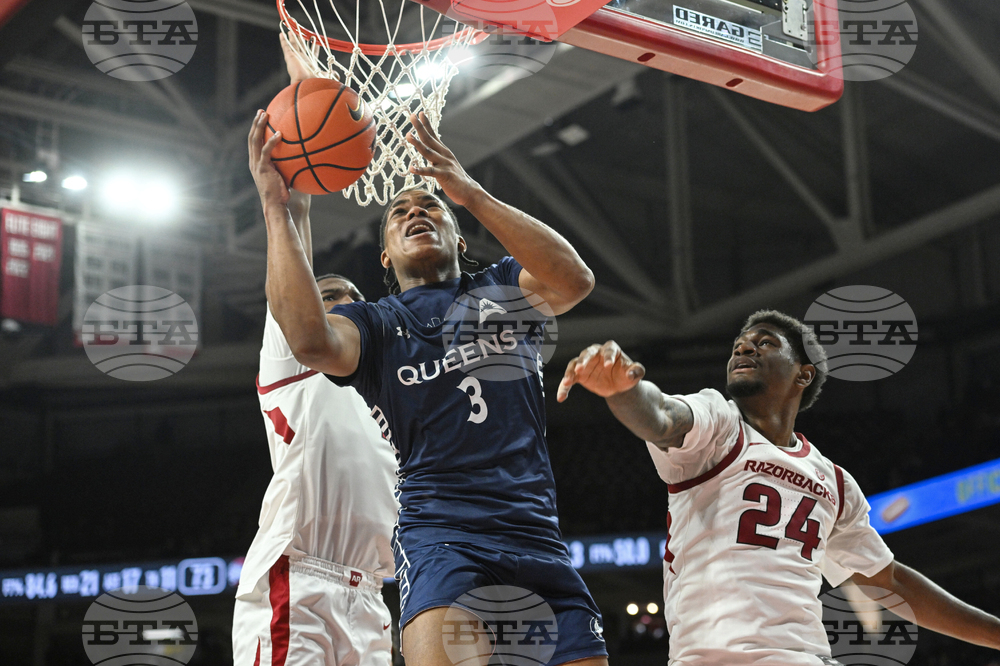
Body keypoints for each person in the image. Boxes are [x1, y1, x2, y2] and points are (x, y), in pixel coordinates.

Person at [248, 96, 608, 664]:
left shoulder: (501, 290)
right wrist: (276, 207)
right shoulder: (374, 325)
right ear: (384, 258)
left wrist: (471, 194)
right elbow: (309, 340)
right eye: (399, 213)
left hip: (537, 533)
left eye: (432, 207)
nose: (416, 212)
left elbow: (575, 281)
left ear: (461, 242)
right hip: (442, 536)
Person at [556, 310, 1000, 665]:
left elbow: (890, 580)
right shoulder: (720, 423)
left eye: (765, 342)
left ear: (803, 375)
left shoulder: (835, 482)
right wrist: (622, 391)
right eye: (739, 344)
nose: (744, 347)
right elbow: (662, 418)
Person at [233, 34, 398, 666]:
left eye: (352, 298)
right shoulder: (295, 356)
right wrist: (305, 95)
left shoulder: (385, 377)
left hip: (372, 597)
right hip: (298, 581)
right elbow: (295, 238)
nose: (342, 304)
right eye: (327, 297)